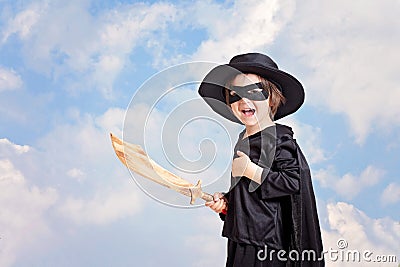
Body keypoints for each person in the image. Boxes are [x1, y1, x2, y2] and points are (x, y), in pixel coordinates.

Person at [198, 53, 324, 266]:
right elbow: (251, 193)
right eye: (235, 94)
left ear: (272, 97)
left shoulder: (278, 138)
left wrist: (250, 170)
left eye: (254, 92)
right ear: (229, 104)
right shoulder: (243, 139)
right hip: (242, 237)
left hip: (267, 244)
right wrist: (227, 205)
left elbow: (293, 181)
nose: (244, 100)